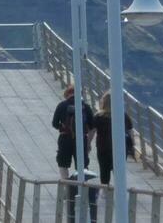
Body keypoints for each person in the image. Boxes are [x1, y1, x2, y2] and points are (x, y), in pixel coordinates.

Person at [52, 86, 94, 223]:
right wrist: (88, 142)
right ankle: (82, 188)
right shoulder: (85, 107)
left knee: (63, 163)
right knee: (81, 165)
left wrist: (62, 127)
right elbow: (92, 125)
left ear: (67, 94)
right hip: (81, 139)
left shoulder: (62, 105)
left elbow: (54, 123)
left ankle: (67, 188)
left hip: (65, 138)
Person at [90, 92, 135, 187]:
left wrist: (87, 144)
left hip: (103, 148)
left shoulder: (98, 116)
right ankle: (120, 194)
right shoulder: (123, 115)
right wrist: (132, 146)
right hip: (120, 149)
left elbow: (92, 132)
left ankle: (104, 194)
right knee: (118, 172)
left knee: (104, 171)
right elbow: (130, 131)